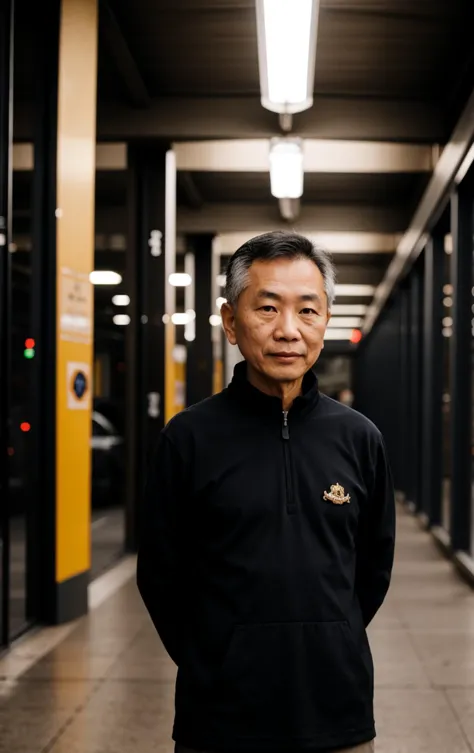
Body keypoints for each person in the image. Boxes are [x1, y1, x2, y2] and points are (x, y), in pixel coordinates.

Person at [137, 230, 396, 753]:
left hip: (337, 709)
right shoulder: (188, 438)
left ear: (325, 321)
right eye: (268, 308)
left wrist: (330, 636)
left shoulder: (359, 438)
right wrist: (217, 655)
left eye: (307, 311)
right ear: (231, 322)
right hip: (219, 717)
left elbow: (372, 570)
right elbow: (161, 576)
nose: (288, 331)